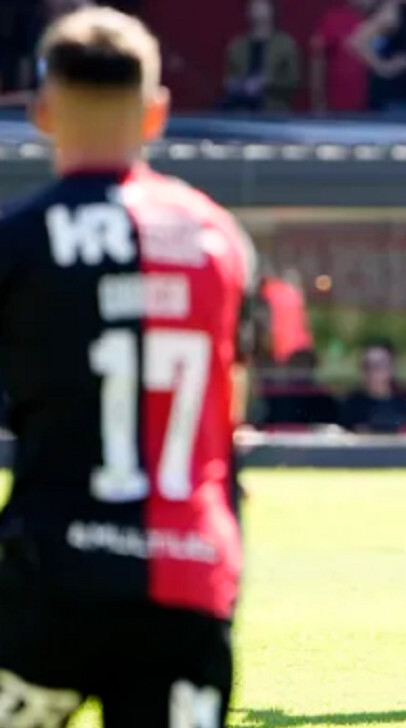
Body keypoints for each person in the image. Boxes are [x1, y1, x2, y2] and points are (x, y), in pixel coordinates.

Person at [0, 8, 259, 727]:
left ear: (44, 112)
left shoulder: (20, 240)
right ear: (157, 114)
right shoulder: (221, 240)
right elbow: (232, 411)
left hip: (52, 574)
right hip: (190, 578)